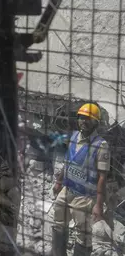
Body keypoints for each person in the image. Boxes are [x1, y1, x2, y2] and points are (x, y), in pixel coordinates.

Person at [51, 103, 110, 256]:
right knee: (58, 223)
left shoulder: (101, 145)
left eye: (88, 119)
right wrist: (58, 182)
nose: (84, 121)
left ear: (96, 122)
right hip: (67, 190)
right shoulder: (74, 136)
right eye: (81, 118)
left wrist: (98, 205)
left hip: (84, 197)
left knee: (83, 236)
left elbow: (102, 177)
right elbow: (67, 161)